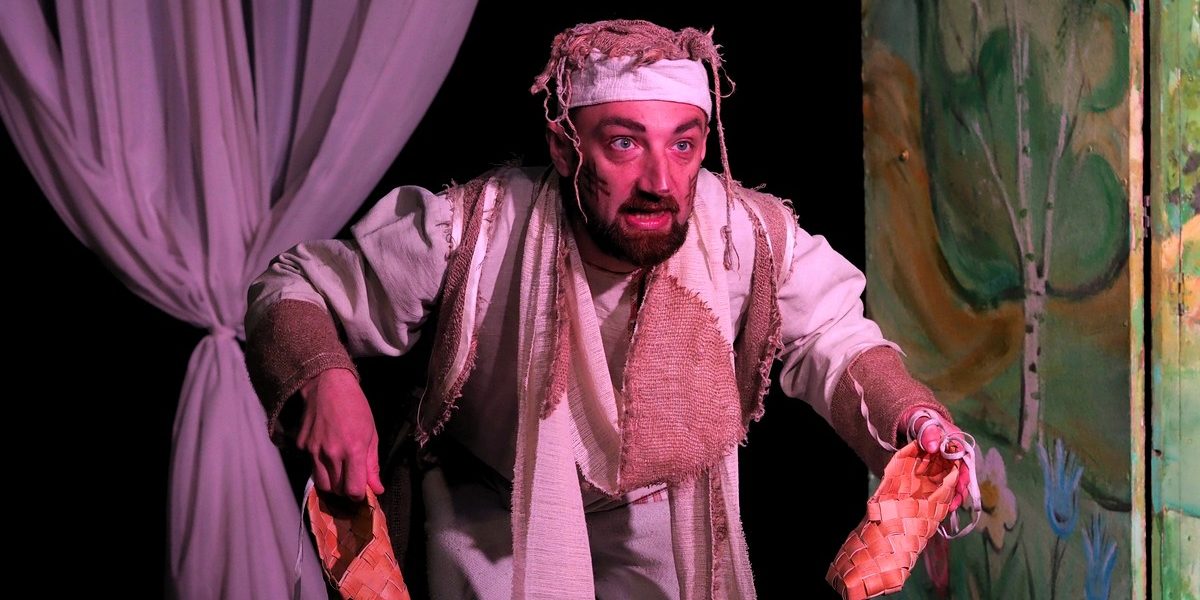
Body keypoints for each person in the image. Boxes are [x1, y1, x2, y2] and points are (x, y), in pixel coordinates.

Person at [244, 19, 972, 600]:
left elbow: (833, 336)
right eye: (624, 143)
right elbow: (291, 287)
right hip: (494, 512)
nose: (661, 180)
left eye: (683, 145)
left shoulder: (738, 233)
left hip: (664, 514)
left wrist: (916, 419)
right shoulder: (473, 232)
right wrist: (326, 380)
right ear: (566, 150)